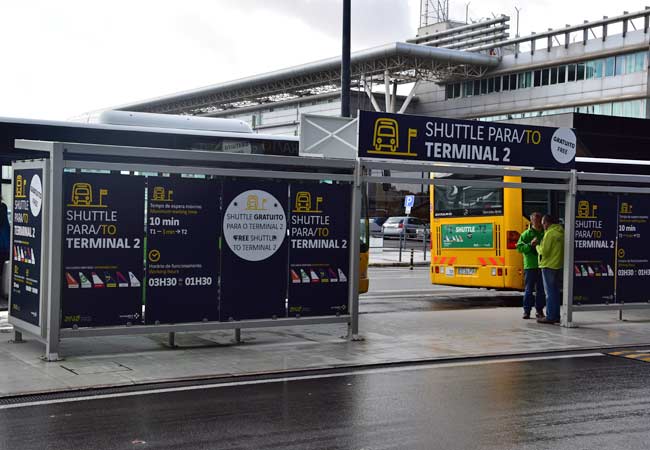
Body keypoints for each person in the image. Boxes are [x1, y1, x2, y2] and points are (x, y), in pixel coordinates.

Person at [535, 214, 564, 324]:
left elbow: (544, 251)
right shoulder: (561, 232)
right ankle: (556, 315)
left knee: (549, 293)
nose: (543, 226)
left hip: (548, 265)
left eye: (543, 224)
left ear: (547, 223)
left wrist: (537, 246)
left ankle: (550, 316)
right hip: (558, 265)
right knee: (555, 292)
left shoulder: (549, 234)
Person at [516, 212, 545, 319]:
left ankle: (539, 310)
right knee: (529, 290)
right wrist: (529, 245)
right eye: (535, 221)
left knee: (541, 290)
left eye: (539, 221)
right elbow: (519, 248)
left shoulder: (544, 233)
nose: (537, 223)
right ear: (531, 221)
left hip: (542, 264)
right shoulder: (526, 234)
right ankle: (526, 311)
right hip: (530, 265)